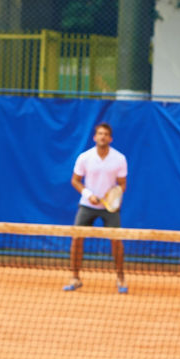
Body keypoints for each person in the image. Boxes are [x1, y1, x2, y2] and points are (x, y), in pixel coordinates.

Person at [63, 122, 129, 294]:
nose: (102, 136)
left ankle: (120, 278)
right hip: (87, 205)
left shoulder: (120, 158)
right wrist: (88, 194)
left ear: (110, 138)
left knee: (116, 242)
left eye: (106, 134)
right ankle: (75, 277)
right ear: (95, 137)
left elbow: (122, 185)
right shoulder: (84, 157)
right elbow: (75, 180)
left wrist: (112, 196)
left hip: (109, 208)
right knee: (77, 239)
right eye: (99, 133)